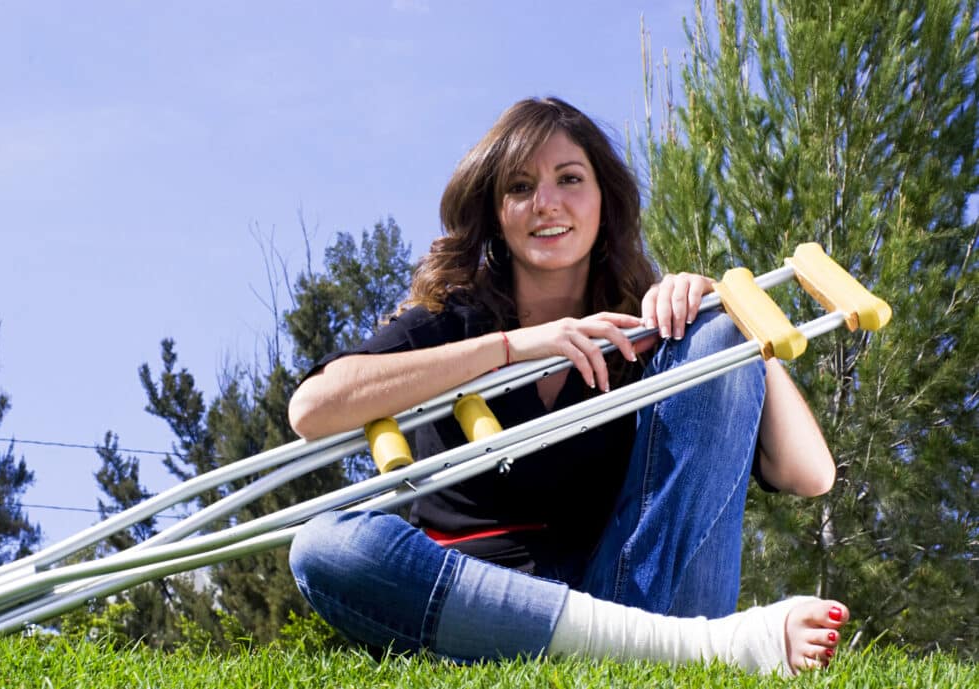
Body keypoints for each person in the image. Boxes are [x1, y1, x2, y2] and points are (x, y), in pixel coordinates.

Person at [286, 97, 848, 676]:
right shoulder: (454, 319)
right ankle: (687, 652)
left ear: (605, 201)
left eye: (570, 179)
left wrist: (731, 321)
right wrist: (512, 348)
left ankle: (651, 644)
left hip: (636, 590)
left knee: (719, 329)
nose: (546, 203)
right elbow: (313, 408)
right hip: (476, 607)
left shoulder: (647, 328)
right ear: (496, 213)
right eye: (521, 186)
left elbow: (809, 475)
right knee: (328, 546)